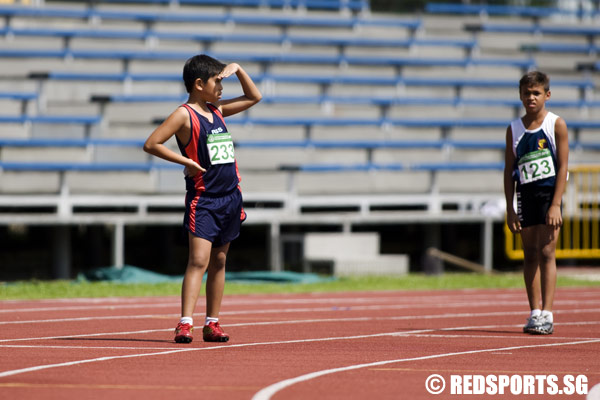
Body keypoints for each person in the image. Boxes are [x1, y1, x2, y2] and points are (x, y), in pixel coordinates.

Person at [143, 54, 262, 343]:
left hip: (230, 196)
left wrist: (239, 69)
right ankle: (185, 323)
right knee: (198, 260)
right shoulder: (184, 115)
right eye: (217, 81)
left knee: (219, 261)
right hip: (204, 199)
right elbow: (152, 143)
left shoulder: (217, 109)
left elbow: (254, 96)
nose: (222, 86)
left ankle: (213, 322)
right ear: (199, 84)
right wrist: (186, 162)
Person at [504, 71, 569, 335]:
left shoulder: (556, 124)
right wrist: (510, 208)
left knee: (546, 252)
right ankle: (534, 312)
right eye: (526, 93)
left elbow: (563, 165)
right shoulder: (514, 129)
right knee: (529, 253)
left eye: (536, 93)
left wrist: (556, 204)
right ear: (520, 96)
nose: (531, 98)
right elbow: (509, 171)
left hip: (548, 195)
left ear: (547, 95)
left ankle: (548, 313)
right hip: (526, 196)